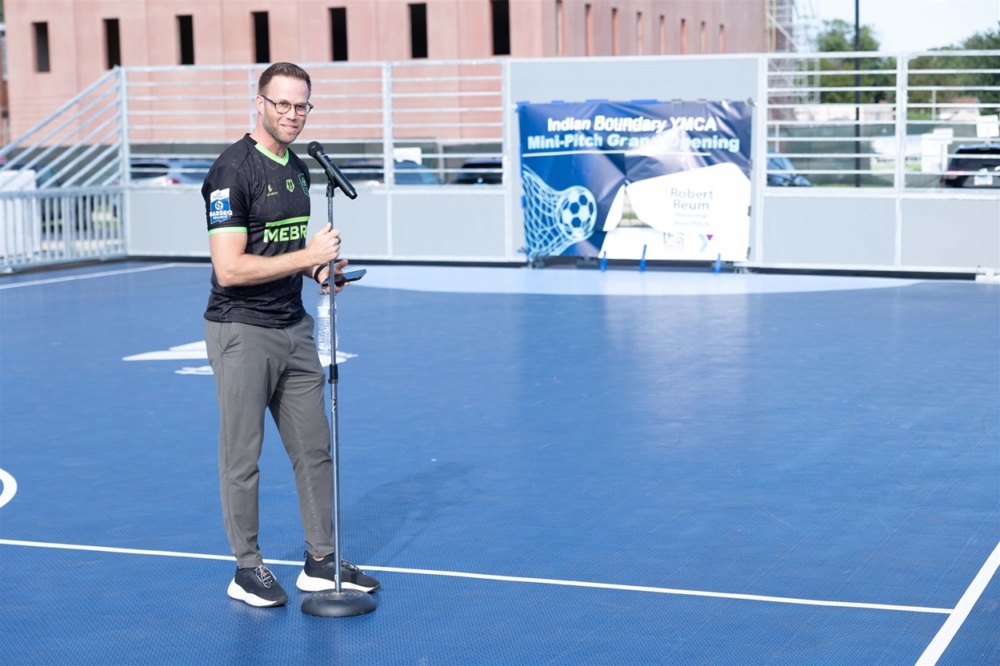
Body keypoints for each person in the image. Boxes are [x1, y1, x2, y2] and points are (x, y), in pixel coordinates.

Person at [202, 62, 380, 608]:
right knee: (243, 456)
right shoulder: (232, 172)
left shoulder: (299, 169)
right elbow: (230, 268)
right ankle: (246, 567)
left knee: (314, 449)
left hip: (292, 326)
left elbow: (280, 252)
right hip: (241, 329)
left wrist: (318, 271)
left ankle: (320, 559)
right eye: (282, 104)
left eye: (302, 105)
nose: (293, 115)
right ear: (259, 103)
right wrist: (307, 255)